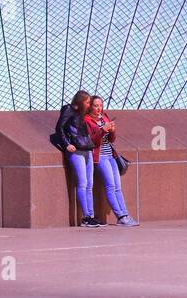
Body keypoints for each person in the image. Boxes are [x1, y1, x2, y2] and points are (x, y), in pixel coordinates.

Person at [86, 96, 138, 227]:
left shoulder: (104, 117)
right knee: (110, 186)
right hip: (100, 156)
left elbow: (111, 140)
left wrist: (112, 131)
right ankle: (120, 216)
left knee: (118, 187)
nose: (99, 108)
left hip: (111, 155)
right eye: (95, 106)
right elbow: (92, 140)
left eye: (100, 105)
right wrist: (103, 129)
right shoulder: (87, 120)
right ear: (90, 107)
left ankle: (125, 214)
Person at [53, 89, 101, 228]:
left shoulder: (83, 114)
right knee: (82, 182)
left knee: (89, 183)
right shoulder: (68, 110)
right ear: (80, 102)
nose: (89, 104)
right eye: (87, 102)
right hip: (76, 150)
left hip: (86, 148)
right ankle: (86, 217)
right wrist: (67, 144)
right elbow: (60, 128)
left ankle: (91, 215)